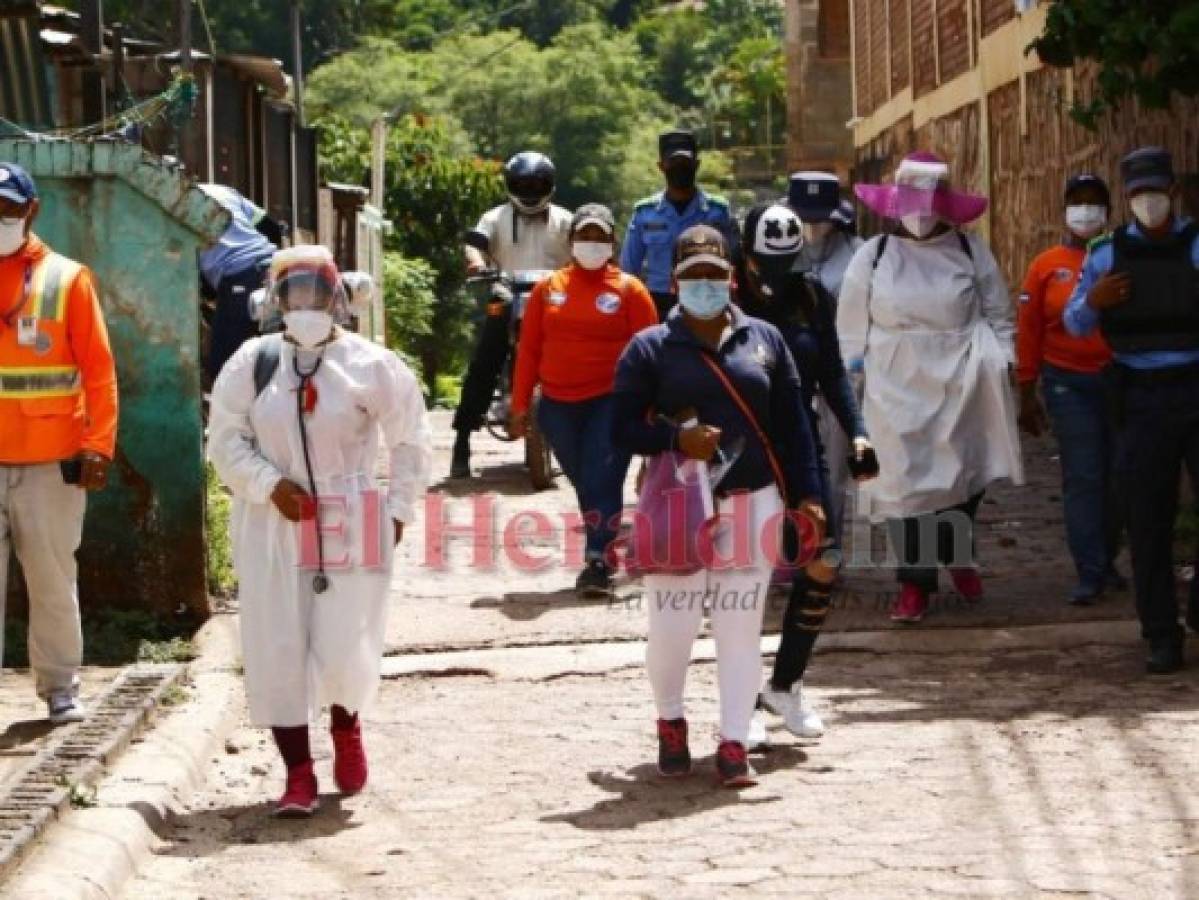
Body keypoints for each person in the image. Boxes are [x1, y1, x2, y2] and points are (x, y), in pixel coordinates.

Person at [208, 245, 431, 816]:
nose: (306, 304)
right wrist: (266, 485)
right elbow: (225, 440)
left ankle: (346, 724)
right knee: (277, 643)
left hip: (350, 513)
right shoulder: (251, 362)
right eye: (294, 292)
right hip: (271, 521)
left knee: (345, 640)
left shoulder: (372, 364)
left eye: (316, 292)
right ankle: (298, 773)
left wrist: (400, 509)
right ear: (275, 301)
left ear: (338, 298)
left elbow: (410, 438)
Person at [612, 225, 826, 788]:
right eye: (692, 275)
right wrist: (674, 441)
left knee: (741, 626)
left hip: (753, 502)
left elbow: (793, 426)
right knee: (673, 627)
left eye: (713, 273)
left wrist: (809, 496)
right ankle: (671, 720)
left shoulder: (765, 340)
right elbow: (619, 430)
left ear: (731, 277)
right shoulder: (651, 347)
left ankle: (734, 742)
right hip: (680, 505)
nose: (704, 283)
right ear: (675, 281)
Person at [838, 151, 1023, 623]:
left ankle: (958, 549)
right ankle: (914, 583)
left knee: (960, 476)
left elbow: (998, 312)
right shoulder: (873, 255)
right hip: (893, 380)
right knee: (904, 483)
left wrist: (1003, 362)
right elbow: (850, 325)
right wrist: (850, 377)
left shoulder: (970, 251)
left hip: (961, 377)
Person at [734, 203, 876, 740]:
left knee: (824, 560)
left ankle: (786, 685)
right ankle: (741, 700)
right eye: (766, 267)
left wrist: (858, 431)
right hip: (740, 454)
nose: (776, 281)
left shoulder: (813, 296)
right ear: (746, 258)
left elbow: (833, 372)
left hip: (801, 444)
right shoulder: (723, 299)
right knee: (743, 577)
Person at [1063, 147, 1199, 674]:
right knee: (1148, 521)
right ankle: (1161, 634)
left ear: (1175, 192)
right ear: (1127, 197)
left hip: (1194, 383)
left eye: (1156, 192)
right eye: (1139, 194)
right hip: (1140, 394)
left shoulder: (1194, 245)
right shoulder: (1104, 253)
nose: (1149, 202)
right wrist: (1093, 300)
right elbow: (1075, 324)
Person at [0, 162, 118, 724]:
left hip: (52, 462)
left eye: (6, 209)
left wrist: (99, 444)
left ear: (32, 211)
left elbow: (99, 371)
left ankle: (60, 688)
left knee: (50, 580)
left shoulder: (68, 279)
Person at [510, 204, 658, 597]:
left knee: (601, 476)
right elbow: (529, 350)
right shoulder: (548, 289)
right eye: (585, 236)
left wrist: (652, 410)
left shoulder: (631, 291)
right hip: (557, 407)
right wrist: (520, 404)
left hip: (611, 401)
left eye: (599, 237)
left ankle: (598, 560)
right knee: (586, 482)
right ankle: (603, 541)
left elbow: (652, 354)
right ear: (572, 240)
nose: (592, 243)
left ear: (612, 242)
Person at [1017, 173, 1125, 605]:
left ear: (1108, 211)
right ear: (1064, 209)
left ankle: (1108, 557)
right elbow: (1028, 330)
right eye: (1077, 202)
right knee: (1083, 476)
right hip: (1066, 382)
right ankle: (1090, 571)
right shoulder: (1045, 265)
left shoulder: (1121, 256)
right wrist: (1026, 389)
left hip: (1119, 379)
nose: (1086, 210)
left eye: (1094, 202)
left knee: (1118, 476)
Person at [452, 152, 572, 479]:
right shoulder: (495, 217)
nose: (530, 190)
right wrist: (476, 261)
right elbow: (475, 244)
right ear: (510, 185)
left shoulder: (566, 220)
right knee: (485, 361)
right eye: (522, 184)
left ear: (549, 185)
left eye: (537, 184)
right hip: (507, 294)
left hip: (554, 300)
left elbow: (582, 248)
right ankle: (461, 440)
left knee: (577, 357)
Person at [786, 172, 867, 543]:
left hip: (841, 367)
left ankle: (826, 546)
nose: (814, 227)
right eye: (807, 219)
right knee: (791, 458)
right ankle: (791, 541)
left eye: (821, 219)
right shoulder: (780, 249)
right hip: (790, 367)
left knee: (832, 466)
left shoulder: (859, 254)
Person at [620, 130, 738, 320]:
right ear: (661, 166)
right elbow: (628, 270)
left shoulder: (718, 211)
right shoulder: (645, 213)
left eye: (685, 163)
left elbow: (732, 262)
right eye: (673, 163)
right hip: (660, 305)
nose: (680, 167)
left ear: (696, 165)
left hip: (708, 301)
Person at [197, 183, 278, 382]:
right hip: (273, 265)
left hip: (239, 277)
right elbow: (270, 226)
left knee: (224, 368)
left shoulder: (173, 206)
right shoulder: (223, 191)